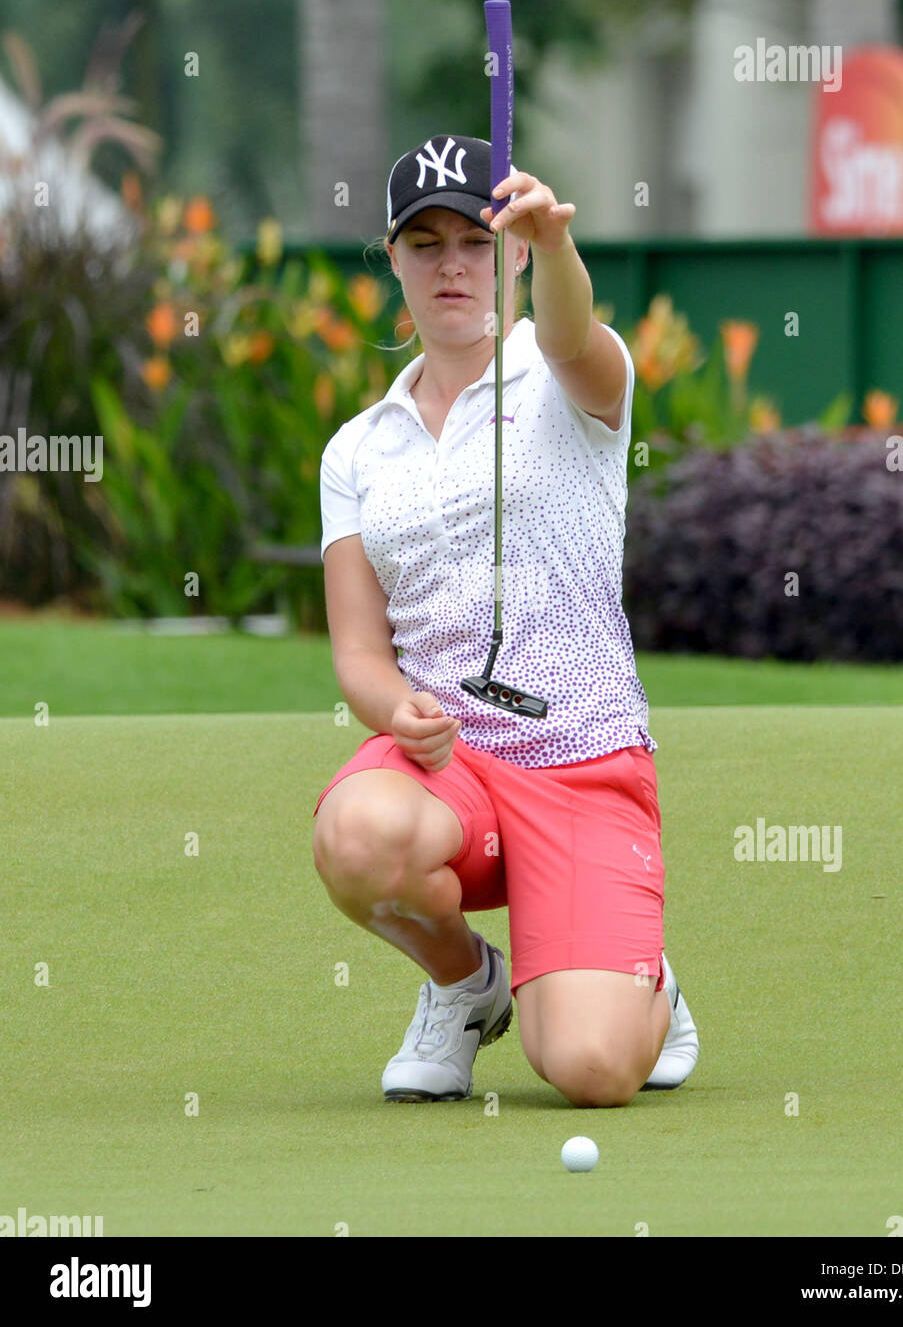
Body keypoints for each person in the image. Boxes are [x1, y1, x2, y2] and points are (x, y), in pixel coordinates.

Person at [311, 134, 698, 1108]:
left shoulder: (564, 379)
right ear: (390, 261)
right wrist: (394, 710)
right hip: (449, 772)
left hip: (580, 761)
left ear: (511, 254)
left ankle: (639, 979)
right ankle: (463, 985)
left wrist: (555, 245)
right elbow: (358, 648)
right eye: (424, 242)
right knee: (356, 833)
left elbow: (571, 336)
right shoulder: (356, 451)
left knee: (591, 1069)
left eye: (478, 242)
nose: (452, 266)